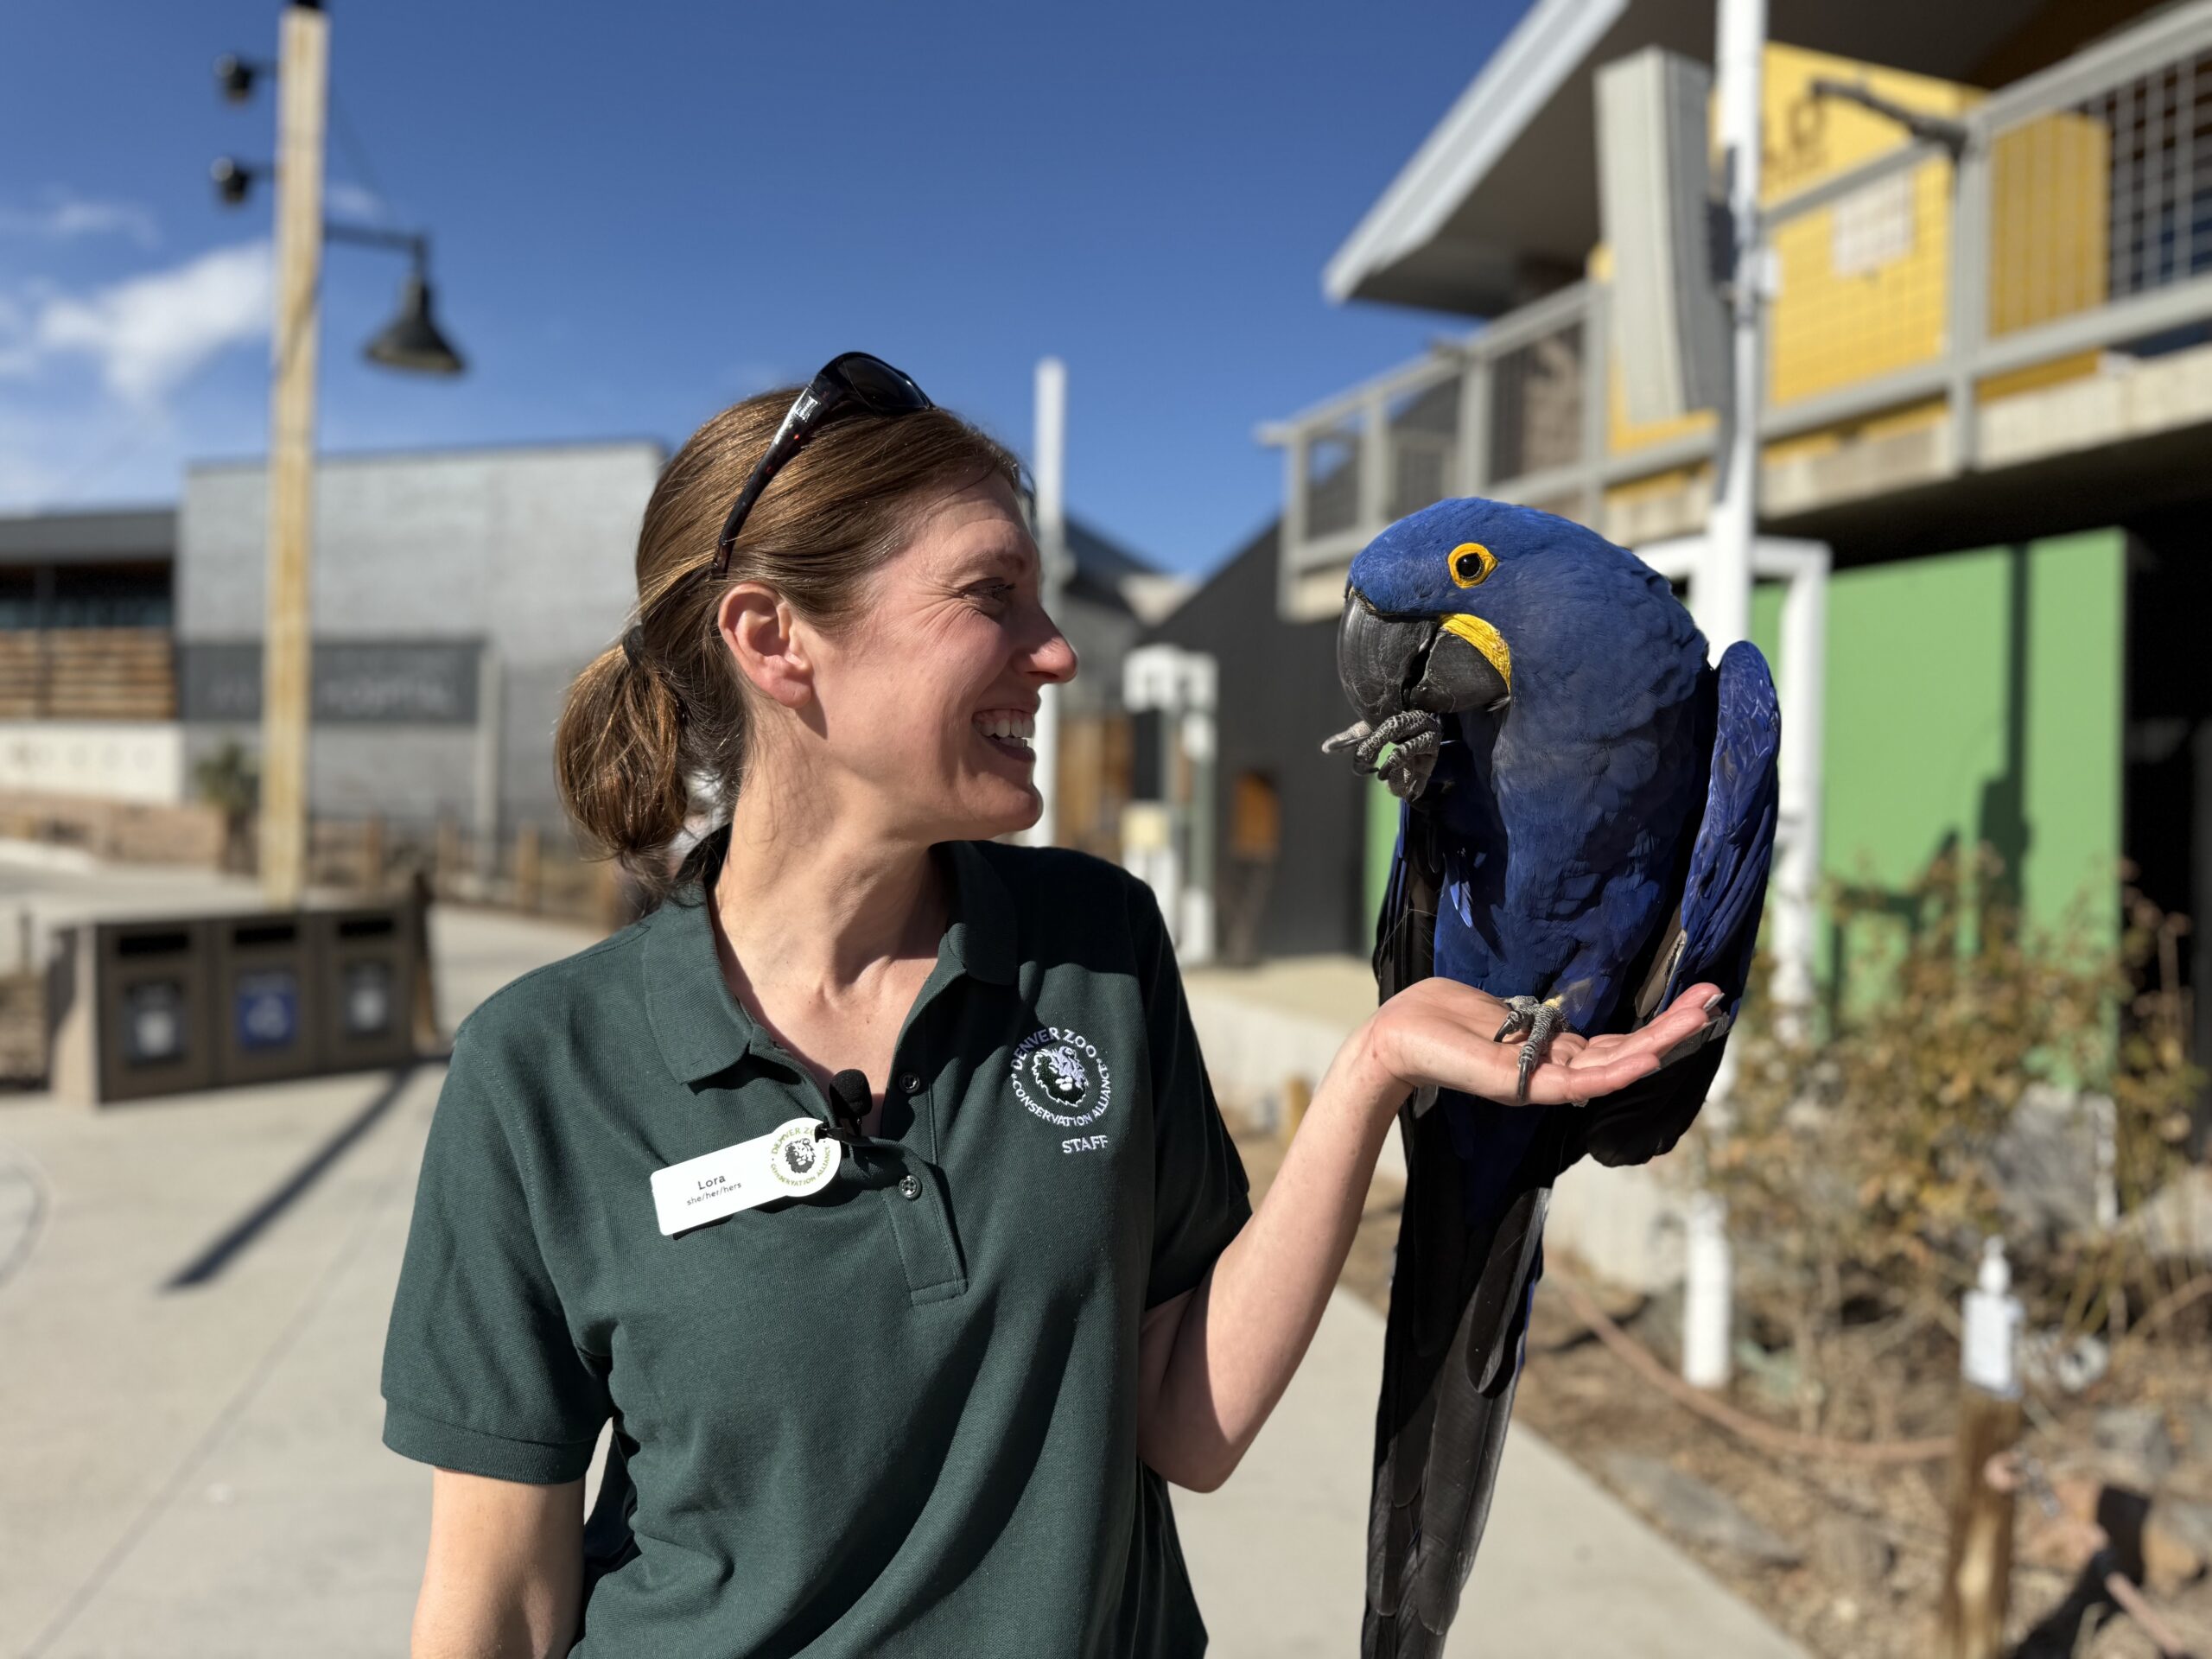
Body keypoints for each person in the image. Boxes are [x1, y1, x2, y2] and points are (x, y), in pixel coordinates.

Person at [381, 353, 1720, 1658]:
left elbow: (1183, 1424)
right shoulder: (541, 1073)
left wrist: (1371, 1070)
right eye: (992, 596)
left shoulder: (1094, 948)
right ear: (776, 639)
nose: (1059, 654)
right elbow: (496, 1608)